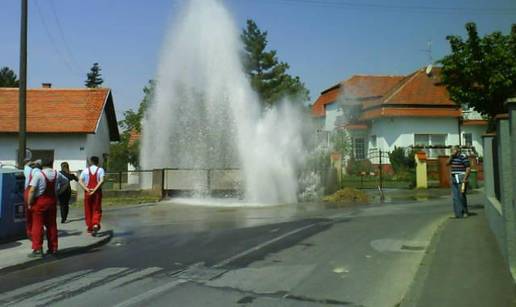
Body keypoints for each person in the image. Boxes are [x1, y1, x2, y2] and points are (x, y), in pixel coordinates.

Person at [27, 158, 68, 258]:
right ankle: (53, 248)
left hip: (39, 203)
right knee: (52, 226)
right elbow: (66, 182)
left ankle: (37, 249)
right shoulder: (57, 174)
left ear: (41, 165)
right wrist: (58, 192)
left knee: (37, 226)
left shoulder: (38, 174)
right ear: (51, 163)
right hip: (52, 202)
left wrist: (29, 203)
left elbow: (32, 190)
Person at [79, 156, 105, 237]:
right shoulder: (100, 170)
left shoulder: (85, 170)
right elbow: (102, 180)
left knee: (88, 209)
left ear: (90, 162)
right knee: (97, 209)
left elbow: (80, 181)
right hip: (97, 192)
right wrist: (94, 189)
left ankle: (90, 227)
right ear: (98, 162)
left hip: (87, 192)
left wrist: (87, 189)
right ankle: (95, 224)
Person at [447, 145, 471, 218]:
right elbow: (447, 163)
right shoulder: (452, 157)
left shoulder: (463, 156)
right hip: (454, 177)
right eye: (451, 150)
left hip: (461, 177)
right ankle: (457, 214)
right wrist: (451, 156)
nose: (451, 151)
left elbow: (468, 168)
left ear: (457, 150)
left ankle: (465, 212)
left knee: (461, 196)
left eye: (453, 150)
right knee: (455, 197)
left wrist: (465, 178)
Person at [23, 159, 41, 240]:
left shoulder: (28, 171)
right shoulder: (41, 173)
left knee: (29, 216)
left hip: (28, 193)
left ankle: (30, 233)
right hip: (37, 195)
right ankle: (36, 233)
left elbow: (26, 165)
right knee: (36, 217)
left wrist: (32, 162)